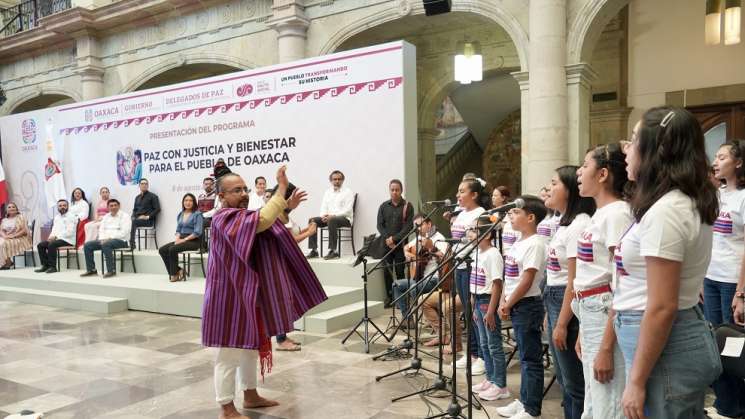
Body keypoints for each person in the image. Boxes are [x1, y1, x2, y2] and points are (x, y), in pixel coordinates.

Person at [612, 107, 723, 419]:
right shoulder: (672, 203)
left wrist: (635, 382)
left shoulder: (668, 212)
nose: (626, 150)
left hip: (666, 343)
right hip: (662, 338)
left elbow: (662, 306)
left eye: (633, 141)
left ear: (654, 151)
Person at [202, 166, 326, 419]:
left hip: (244, 293)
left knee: (249, 347)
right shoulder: (222, 216)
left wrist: (286, 208)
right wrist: (281, 189)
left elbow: (265, 225)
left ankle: (250, 394)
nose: (244, 194)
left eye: (245, 189)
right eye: (237, 190)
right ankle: (226, 407)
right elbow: (261, 220)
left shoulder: (239, 215)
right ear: (222, 196)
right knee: (229, 352)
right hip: (228, 297)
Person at [573, 142, 632, 419]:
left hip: (603, 307)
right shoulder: (602, 213)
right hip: (589, 311)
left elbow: (621, 282)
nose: (579, 172)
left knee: (607, 400)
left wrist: (607, 346)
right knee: (594, 400)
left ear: (603, 174)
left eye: (585, 166)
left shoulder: (618, 213)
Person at [545, 166, 595, 419]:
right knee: (565, 381)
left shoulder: (579, 225)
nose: (549, 189)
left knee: (574, 384)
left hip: (568, 304)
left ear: (570, 190)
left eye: (554, 183)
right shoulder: (564, 224)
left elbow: (573, 281)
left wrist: (562, 322)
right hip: (555, 300)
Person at [496, 195, 548, 419]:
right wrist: (502, 300)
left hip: (527, 305)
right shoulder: (519, 241)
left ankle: (532, 409)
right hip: (515, 303)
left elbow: (527, 280)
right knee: (525, 356)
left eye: (516, 212)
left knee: (530, 359)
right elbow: (510, 275)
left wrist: (509, 302)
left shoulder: (536, 243)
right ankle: (524, 401)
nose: (511, 215)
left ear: (530, 217)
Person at [704, 139, 745, 419]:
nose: (715, 162)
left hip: (733, 280)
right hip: (710, 278)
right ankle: (724, 403)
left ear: (739, 163)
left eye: (722, 157)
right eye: (715, 157)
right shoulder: (716, 195)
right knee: (713, 343)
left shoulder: (743, 197)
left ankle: (735, 405)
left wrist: (741, 292)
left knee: (733, 346)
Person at [469, 220, 509, 402]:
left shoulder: (493, 254)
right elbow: (474, 280)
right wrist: (472, 302)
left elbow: (497, 284)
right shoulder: (478, 252)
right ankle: (491, 379)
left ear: (486, 235)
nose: (469, 234)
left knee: (494, 345)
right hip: (477, 300)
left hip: (487, 302)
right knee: (484, 344)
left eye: (474, 231)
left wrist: (491, 311)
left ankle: (500, 385)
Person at [452, 178, 486, 376]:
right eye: (458, 191)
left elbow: (475, 241)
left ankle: (481, 355)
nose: (458, 195)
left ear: (474, 195)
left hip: (471, 265)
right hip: (458, 265)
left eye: (462, 191)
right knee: (466, 310)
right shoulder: (461, 214)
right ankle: (471, 352)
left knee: (474, 312)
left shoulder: (480, 214)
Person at [392, 214, 445, 326]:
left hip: (434, 278)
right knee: (396, 285)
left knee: (413, 289)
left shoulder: (439, 238)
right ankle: (408, 319)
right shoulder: (420, 237)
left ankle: (432, 314)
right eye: (416, 226)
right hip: (421, 277)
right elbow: (406, 247)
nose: (417, 228)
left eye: (420, 225)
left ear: (429, 224)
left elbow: (444, 256)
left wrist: (431, 248)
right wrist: (408, 254)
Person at [377, 179, 415, 308]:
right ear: (389, 190)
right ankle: (390, 297)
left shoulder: (408, 206)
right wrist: (388, 239)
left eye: (397, 190)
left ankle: (401, 299)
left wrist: (395, 239)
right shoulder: (383, 206)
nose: (394, 192)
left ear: (401, 190)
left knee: (400, 272)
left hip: (400, 246)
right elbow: (380, 225)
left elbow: (408, 227)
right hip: (386, 246)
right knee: (387, 272)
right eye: (392, 190)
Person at [306, 170, 354, 260]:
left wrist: (333, 216)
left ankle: (333, 251)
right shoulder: (328, 192)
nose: (337, 181)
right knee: (312, 220)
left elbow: (347, 210)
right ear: (331, 181)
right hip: (329, 218)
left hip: (345, 219)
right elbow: (323, 207)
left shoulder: (348, 192)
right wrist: (323, 216)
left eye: (339, 179)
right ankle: (314, 250)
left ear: (343, 180)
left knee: (332, 220)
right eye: (335, 179)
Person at [158, 193, 204, 282]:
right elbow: (178, 230)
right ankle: (178, 270)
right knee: (162, 250)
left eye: (190, 200)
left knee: (172, 249)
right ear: (183, 202)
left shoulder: (197, 214)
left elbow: (197, 232)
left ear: (194, 202)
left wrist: (184, 240)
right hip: (182, 238)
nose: (188, 202)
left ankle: (174, 274)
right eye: (186, 200)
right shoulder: (181, 214)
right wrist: (178, 239)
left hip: (193, 241)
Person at [80, 199, 132, 278]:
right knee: (87, 245)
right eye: (111, 206)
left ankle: (111, 270)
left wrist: (109, 238)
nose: (113, 207)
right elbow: (101, 230)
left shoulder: (125, 216)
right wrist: (102, 239)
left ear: (119, 206)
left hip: (121, 240)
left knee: (106, 244)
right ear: (108, 207)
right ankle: (91, 270)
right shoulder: (106, 217)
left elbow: (125, 231)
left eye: (115, 205)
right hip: (105, 240)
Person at [35, 199, 77, 274]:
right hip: (57, 239)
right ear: (58, 207)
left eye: (64, 205)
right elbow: (54, 229)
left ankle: (53, 267)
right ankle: (45, 265)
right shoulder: (57, 217)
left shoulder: (71, 216)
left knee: (52, 244)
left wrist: (56, 237)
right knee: (41, 245)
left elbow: (70, 232)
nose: (62, 207)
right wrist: (50, 237)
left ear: (67, 206)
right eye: (60, 206)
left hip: (68, 240)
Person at [130, 178, 161, 249]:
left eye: (146, 184)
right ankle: (128, 244)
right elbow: (134, 210)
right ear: (139, 186)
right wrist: (132, 216)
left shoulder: (153, 196)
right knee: (131, 221)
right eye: (142, 184)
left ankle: (132, 245)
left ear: (148, 186)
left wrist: (147, 217)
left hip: (148, 221)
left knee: (134, 222)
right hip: (137, 220)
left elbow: (157, 209)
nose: (144, 185)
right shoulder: (137, 197)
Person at [0, 203, 32, 269]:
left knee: (3, 243)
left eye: (13, 207)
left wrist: (12, 236)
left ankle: (7, 263)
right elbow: (1, 230)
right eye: (9, 207)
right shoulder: (4, 220)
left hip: (20, 238)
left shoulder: (21, 217)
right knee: (2, 241)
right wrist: (5, 236)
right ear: (7, 210)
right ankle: (8, 261)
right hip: (6, 237)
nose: (11, 208)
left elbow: (24, 230)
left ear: (16, 209)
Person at [494, 186, 521, 255]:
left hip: (509, 248)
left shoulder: (511, 212)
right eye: (492, 195)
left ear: (503, 198)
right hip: (495, 249)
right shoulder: (493, 213)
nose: (492, 197)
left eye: (495, 195)